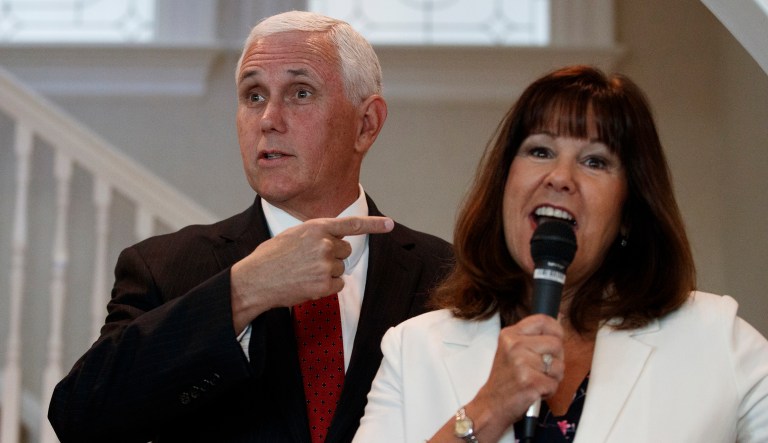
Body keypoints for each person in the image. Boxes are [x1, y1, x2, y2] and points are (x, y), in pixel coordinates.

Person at [47, 10, 453, 443]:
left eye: (300, 93)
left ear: (366, 124)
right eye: (254, 95)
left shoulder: (448, 274)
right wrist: (242, 292)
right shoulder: (164, 267)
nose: (268, 119)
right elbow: (82, 416)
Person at [352, 65, 768, 443]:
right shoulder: (414, 349)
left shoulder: (718, 339)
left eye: (594, 161)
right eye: (540, 151)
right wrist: (487, 410)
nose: (560, 177)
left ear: (629, 209)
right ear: (505, 185)